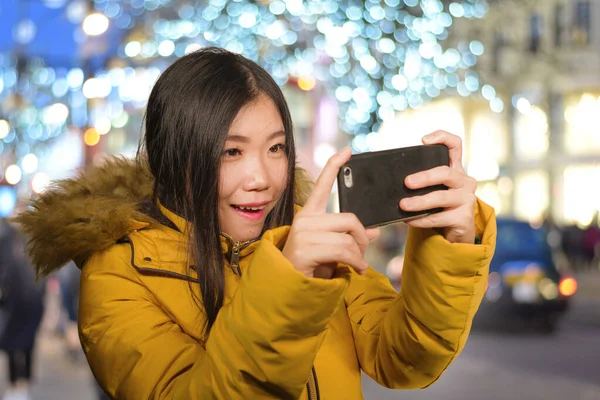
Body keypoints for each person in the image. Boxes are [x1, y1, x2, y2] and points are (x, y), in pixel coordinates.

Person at [15, 47, 496, 399]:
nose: (262, 179)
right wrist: (289, 282)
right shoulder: (117, 274)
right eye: (231, 151)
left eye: (276, 148)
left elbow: (406, 360)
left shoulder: (307, 240)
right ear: (175, 157)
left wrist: (450, 245)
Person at [0, 218, 45, 400]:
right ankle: (23, 384)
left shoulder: (8, 244)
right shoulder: (29, 247)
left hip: (18, 304)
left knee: (15, 344)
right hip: (28, 303)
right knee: (25, 344)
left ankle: (18, 385)